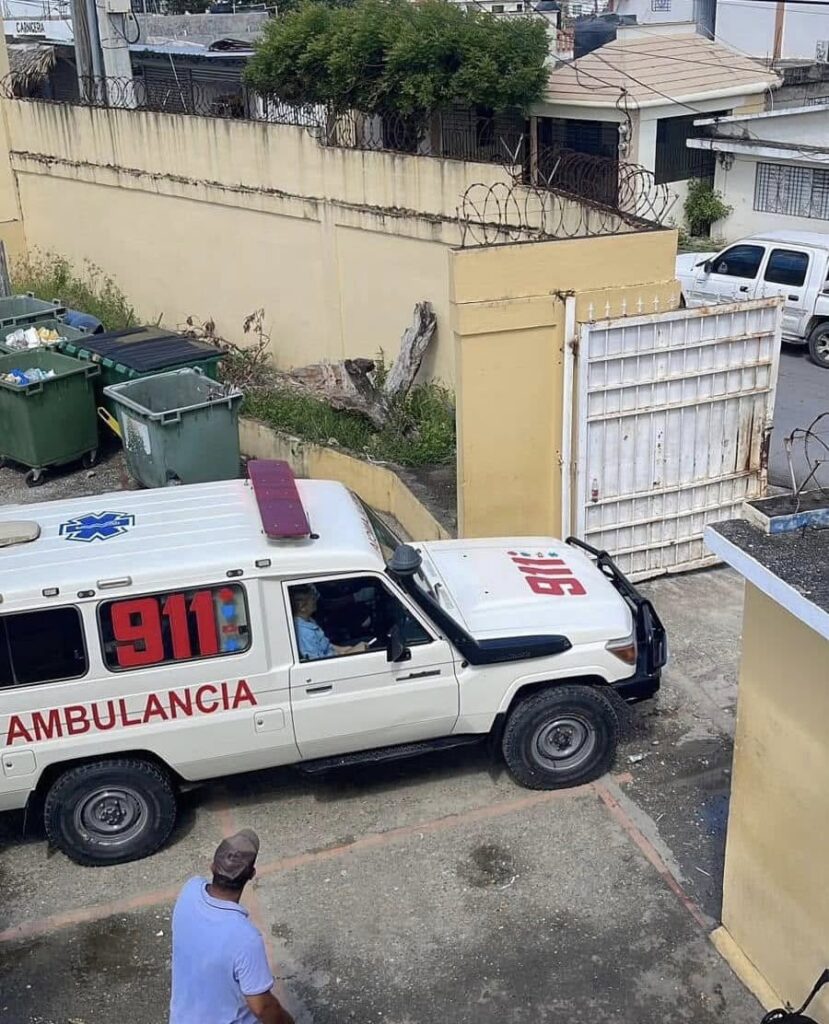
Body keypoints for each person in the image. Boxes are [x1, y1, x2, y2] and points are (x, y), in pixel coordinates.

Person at [170, 829, 294, 1024]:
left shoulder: (190, 889)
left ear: (212, 866)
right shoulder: (245, 938)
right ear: (252, 874)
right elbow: (262, 1007)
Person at [291, 584, 368, 660]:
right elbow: (319, 663)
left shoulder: (309, 621)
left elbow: (328, 646)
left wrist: (346, 649)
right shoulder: (304, 633)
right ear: (302, 607)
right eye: (313, 599)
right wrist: (351, 652)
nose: (315, 601)